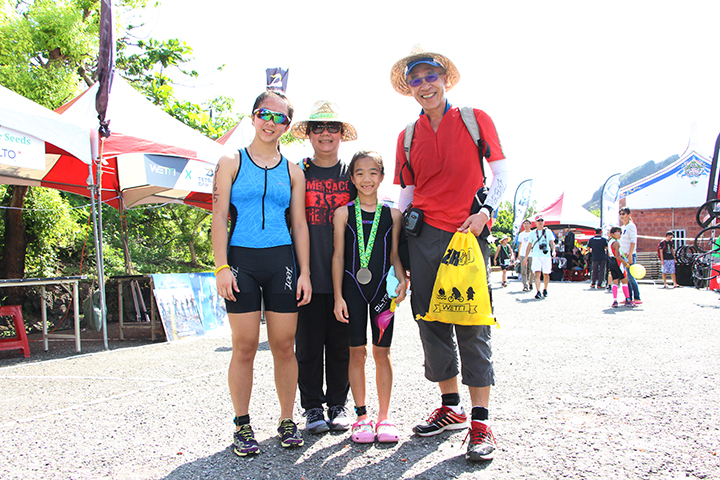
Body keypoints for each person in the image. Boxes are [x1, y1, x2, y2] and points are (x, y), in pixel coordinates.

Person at [391, 46, 508, 461]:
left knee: (472, 324)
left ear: (445, 79)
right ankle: (451, 407)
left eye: (431, 77)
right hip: (422, 238)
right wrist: (395, 242)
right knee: (430, 321)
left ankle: (481, 422)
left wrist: (485, 213)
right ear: (409, 88)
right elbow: (406, 191)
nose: (425, 85)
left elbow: (501, 172)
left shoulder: (475, 119)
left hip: (466, 235)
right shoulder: (407, 136)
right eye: (416, 80)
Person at [212, 90, 311, 457]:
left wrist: (305, 273)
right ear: (253, 116)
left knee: (285, 345)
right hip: (241, 261)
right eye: (264, 114)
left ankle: (287, 420)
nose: (271, 122)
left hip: (281, 261)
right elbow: (218, 218)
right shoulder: (230, 161)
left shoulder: (294, 171)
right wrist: (221, 267)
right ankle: (242, 424)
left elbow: (299, 224)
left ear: (287, 126)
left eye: (279, 117)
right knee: (245, 346)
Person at [289, 100, 358, 434]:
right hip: (308, 274)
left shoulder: (354, 174)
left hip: (346, 277)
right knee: (308, 347)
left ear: (341, 134)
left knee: (342, 347)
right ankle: (313, 407)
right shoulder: (296, 172)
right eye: (318, 128)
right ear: (309, 134)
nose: (326, 134)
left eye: (333, 127)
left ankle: (338, 404)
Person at [332, 151, 406, 444]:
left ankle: (384, 416)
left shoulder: (393, 215)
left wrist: (402, 280)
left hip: (381, 294)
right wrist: (338, 296)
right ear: (352, 178)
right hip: (352, 289)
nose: (367, 178)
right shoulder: (343, 213)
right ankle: (361, 417)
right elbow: (338, 257)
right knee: (357, 352)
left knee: (382, 353)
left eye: (373, 172)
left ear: (382, 177)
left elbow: (395, 255)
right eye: (360, 173)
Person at [522, 216, 556, 299]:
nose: (540, 222)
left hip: (546, 255)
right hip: (536, 255)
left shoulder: (548, 232)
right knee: (537, 273)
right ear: (536, 222)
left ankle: (545, 289)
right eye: (538, 221)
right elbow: (529, 245)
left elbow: (552, 242)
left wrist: (553, 251)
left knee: (546, 273)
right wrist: (526, 257)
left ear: (544, 222)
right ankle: (538, 291)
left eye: (541, 220)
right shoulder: (532, 233)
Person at [619, 207, 642, 305]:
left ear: (628, 215)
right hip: (623, 255)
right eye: (620, 214)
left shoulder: (631, 226)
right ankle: (628, 297)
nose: (621, 216)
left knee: (630, 277)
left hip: (630, 255)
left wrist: (630, 254)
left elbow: (633, 241)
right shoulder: (622, 227)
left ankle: (637, 297)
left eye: (623, 214)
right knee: (626, 277)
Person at [607, 226, 633, 308]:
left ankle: (615, 300)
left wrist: (622, 255)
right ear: (612, 234)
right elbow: (617, 256)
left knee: (615, 281)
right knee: (624, 281)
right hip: (617, 262)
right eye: (618, 233)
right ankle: (628, 299)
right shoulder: (616, 243)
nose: (620, 235)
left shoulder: (610, 242)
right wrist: (625, 263)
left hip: (611, 261)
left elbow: (612, 253)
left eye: (621, 233)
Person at [517, 220, 533, 291]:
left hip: (531, 254)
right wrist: (519, 254)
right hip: (523, 254)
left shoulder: (533, 233)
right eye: (525, 224)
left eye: (527, 224)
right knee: (523, 270)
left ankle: (530, 282)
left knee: (532, 270)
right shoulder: (521, 234)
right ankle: (525, 285)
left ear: (530, 225)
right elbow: (520, 244)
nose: (526, 225)